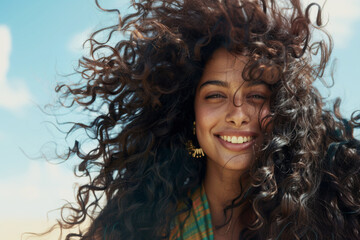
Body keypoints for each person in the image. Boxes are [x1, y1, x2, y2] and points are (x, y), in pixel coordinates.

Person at [54, 0, 360, 239]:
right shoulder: (134, 227)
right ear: (189, 112)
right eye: (215, 95)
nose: (238, 114)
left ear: (283, 110)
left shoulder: (320, 221)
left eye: (256, 96)